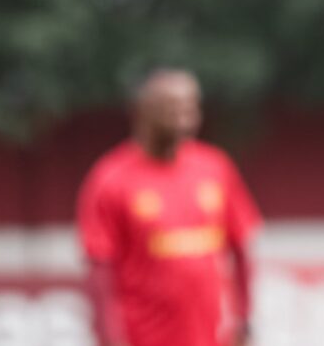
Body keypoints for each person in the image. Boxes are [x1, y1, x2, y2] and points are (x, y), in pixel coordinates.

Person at [78, 69, 261, 346]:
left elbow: (241, 247)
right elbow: (100, 269)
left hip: (212, 338)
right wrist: (108, 337)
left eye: (190, 106)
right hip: (144, 338)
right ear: (143, 111)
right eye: (172, 106)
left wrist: (244, 317)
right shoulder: (111, 179)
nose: (184, 115)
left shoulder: (215, 167)